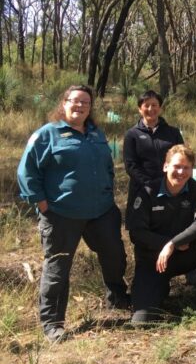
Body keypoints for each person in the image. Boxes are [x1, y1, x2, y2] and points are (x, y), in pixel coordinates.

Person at [17, 85, 129, 343]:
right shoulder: (47, 134)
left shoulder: (96, 134)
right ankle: (53, 324)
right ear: (64, 103)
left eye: (85, 103)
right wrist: (42, 204)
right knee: (58, 267)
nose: (80, 106)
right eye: (75, 101)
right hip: (61, 214)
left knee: (114, 254)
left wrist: (107, 190)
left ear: (90, 108)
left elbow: (107, 166)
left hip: (101, 212)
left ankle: (117, 297)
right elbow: (27, 172)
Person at [128, 145, 196, 323]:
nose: (181, 172)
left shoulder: (195, 189)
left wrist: (173, 243)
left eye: (186, 167)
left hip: (184, 255)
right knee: (141, 321)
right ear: (165, 166)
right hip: (154, 260)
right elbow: (137, 233)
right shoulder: (148, 192)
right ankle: (159, 288)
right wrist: (165, 243)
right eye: (176, 166)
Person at [123, 90, 184, 227]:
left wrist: (171, 183)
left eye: (154, 105)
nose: (151, 109)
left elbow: (182, 159)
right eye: (146, 105)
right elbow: (131, 165)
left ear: (160, 108)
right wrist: (149, 184)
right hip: (142, 189)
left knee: (169, 226)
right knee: (142, 229)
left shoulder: (172, 133)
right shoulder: (132, 134)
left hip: (170, 187)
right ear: (140, 109)